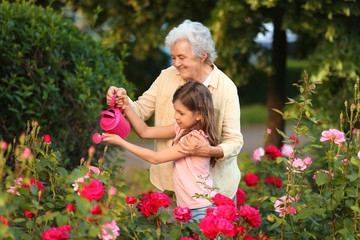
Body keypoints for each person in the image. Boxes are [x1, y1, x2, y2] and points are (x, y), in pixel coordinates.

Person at [107, 19, 243, 201]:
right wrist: (124, 100)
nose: (176, 64)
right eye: (173, 57)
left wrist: (210, 151)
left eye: (182, 57)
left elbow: (234, 140)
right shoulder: (167, 76)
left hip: (213, 193)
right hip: (170, 186)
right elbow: (140, 114)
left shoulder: (226, 88)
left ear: (202, 55)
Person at [103, 81, 219, 220]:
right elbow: (145, 131)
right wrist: (127, 106)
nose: (176, 116)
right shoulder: (181, 129)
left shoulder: (194, 140)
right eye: (175, 110)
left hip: (201, 210)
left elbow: (156, 158)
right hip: (189, 209)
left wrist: (121, 142)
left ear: (199, 114)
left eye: (181, 113)